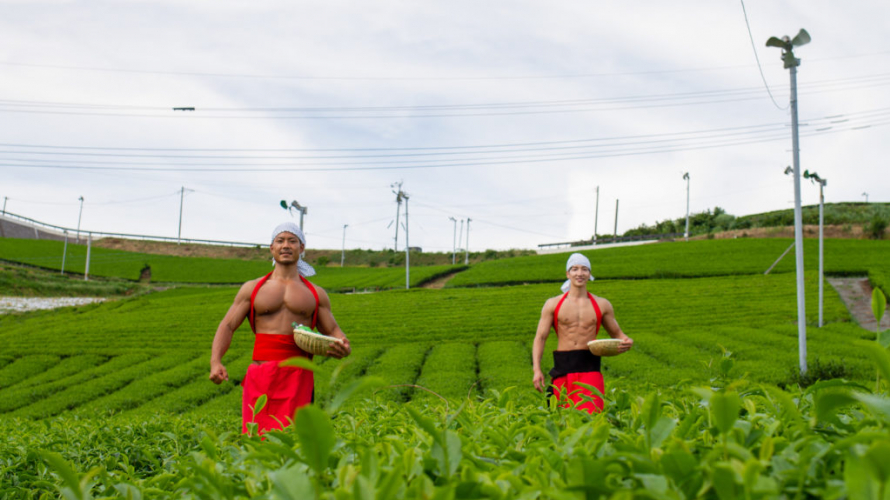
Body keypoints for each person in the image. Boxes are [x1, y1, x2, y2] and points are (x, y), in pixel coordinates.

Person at [210, 222, 351, 434]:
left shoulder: (316, 293)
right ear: (272, 248)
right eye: (280, 240)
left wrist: (343, 344)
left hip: (298, 377)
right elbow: (228, 325)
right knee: (255, 438)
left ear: (301, 248)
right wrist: (215, 362)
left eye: (292, 241)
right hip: (261, 375)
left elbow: (332, 331)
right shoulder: (252, 288)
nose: (286, 245)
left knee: (294, 440)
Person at [532, 253, 632, 413]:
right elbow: (540, 337)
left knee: (592, 417)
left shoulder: (602, 304)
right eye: (575, 269)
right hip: (563, 369)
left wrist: (626, 341)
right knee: (562, 419)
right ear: (568, 273)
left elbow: (618, 334)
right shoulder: (553, 304)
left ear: (590, 274)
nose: (580, 273)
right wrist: (537, 370)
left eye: (584, 269)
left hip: (590, 368)